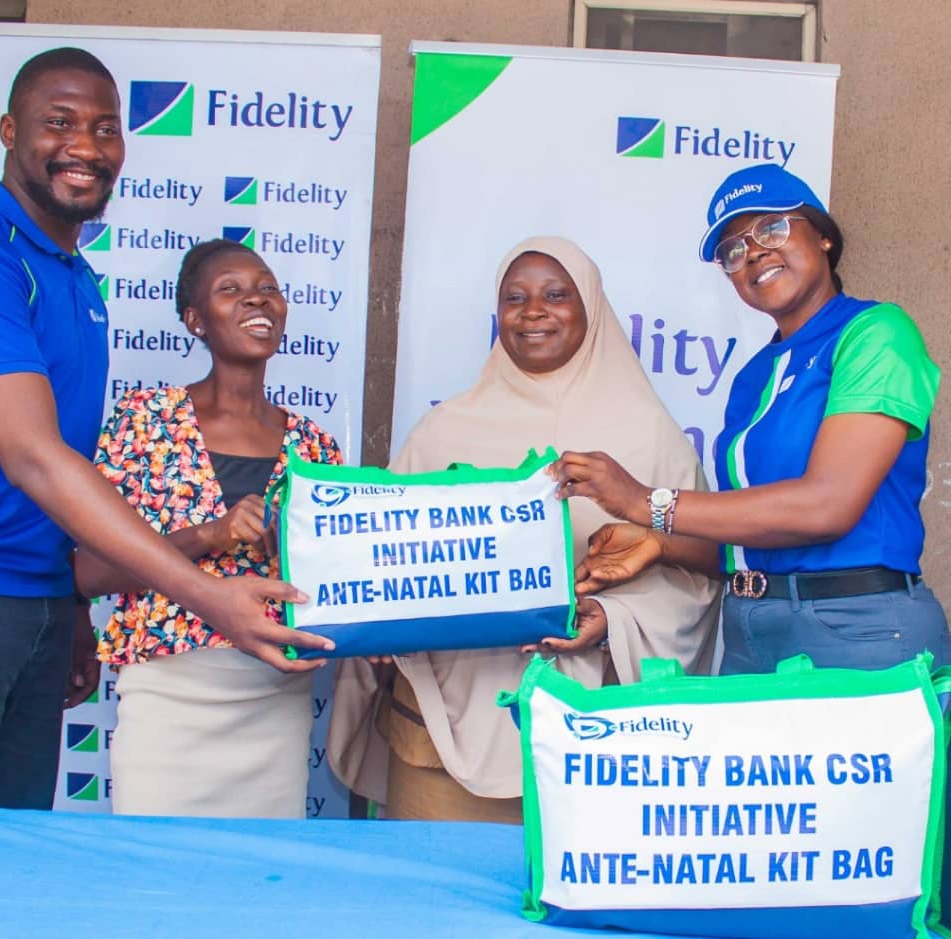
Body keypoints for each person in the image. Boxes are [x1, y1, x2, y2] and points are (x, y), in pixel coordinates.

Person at [0, 48, 330, 812]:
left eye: (105, 128)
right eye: (60, 123)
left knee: (8, 849)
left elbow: (67, 481)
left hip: (35, 601)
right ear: (10, 131)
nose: (85, 145)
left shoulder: (76, 277)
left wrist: (72, 608)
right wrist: (207, 595)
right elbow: (34, 457)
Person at [328, 236, 721, 822]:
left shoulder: (650, 434)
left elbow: (699, 577)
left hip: (596, 734)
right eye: (515, 298)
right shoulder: (442, 431)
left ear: (591, 308)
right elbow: (380, 558)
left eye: (556, 295)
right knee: (438, 877)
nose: (533, 312)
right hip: (440, 725)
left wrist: (613, 620)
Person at [551, 163, 950, 675]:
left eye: (772, 228)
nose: (754, 252)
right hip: (749, 629)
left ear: (823, 237)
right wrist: (661, 543)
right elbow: (756, 540)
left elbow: (827, 506)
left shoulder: (875, 333)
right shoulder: (754, 375)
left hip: (856, 627)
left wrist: (644, 503)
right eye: (733, 250)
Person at [74, 240, 341, 818]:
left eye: (267, 288)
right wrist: (209, 535)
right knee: (158, 867)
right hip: (169, 699)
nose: (257, 300)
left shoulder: (315, 448)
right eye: (231, 290)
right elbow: (88, 573)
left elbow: (337, 587)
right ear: (195, 320)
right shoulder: (145, 421)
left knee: (261, 870)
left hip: (275, 703)